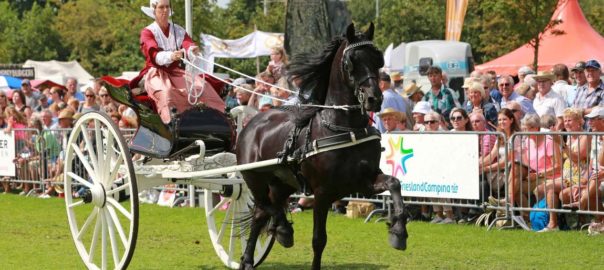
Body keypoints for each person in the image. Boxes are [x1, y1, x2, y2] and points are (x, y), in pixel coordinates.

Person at [130, 0, 225, 124]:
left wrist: (192, 50)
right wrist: (171, 56)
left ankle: (216, 120)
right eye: (161, 7)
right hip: (156, 72)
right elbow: (154, 55)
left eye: (167, 7)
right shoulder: (148, 32)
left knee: (202, 87)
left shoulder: (178, 30)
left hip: (176, 72)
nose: (165, 10)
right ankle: (170, 124)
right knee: (166, 92)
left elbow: (187, 44)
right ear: (154, 10)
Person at [559, 107, 604, 227]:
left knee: (589, 186)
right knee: (565, 194)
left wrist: (562, 145)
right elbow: (592, 165)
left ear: (603, 121)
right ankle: (596, 219)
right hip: (595, 178)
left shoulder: (587, 137)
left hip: (599, 178)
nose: (590, 123)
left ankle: (584, 206)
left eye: (593, 120)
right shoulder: (595, 137)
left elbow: (583, 159)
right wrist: (583, 181)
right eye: (589, 120)